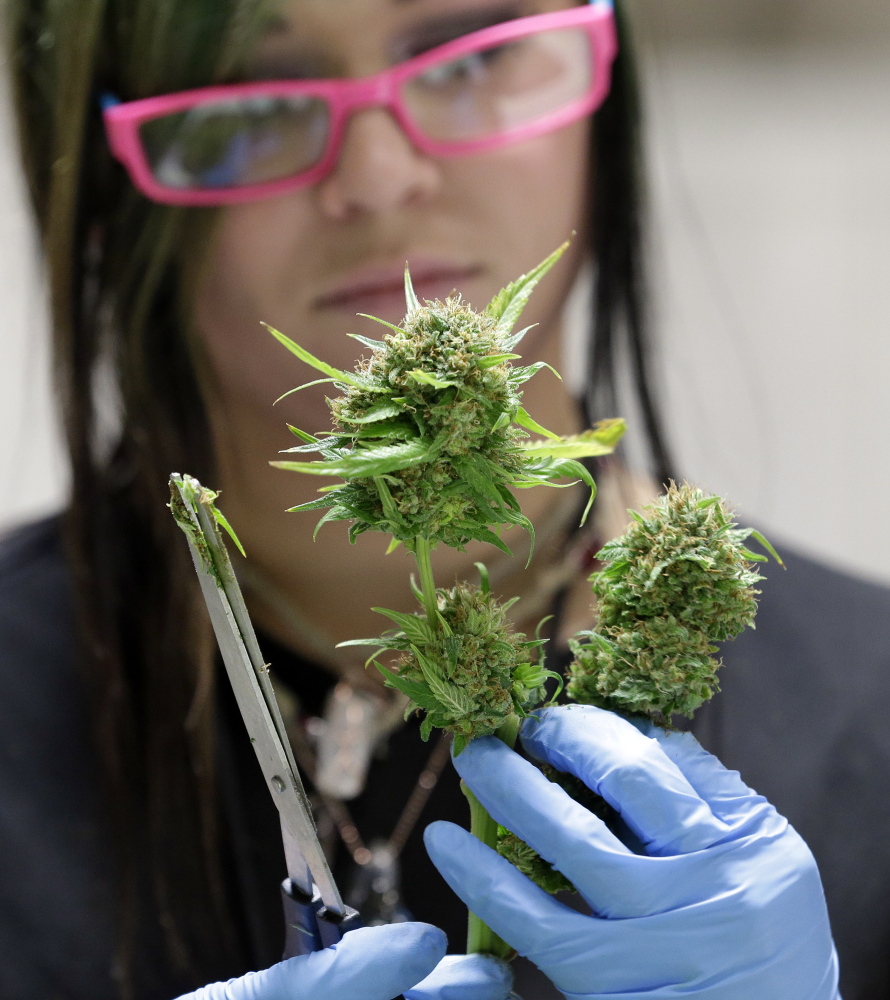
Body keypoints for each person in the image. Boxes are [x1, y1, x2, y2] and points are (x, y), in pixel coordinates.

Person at [0, 0, 885, 997]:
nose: (379, 179)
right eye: (253, 101)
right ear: (105, 189)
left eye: (467, 56)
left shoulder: (869, 725)